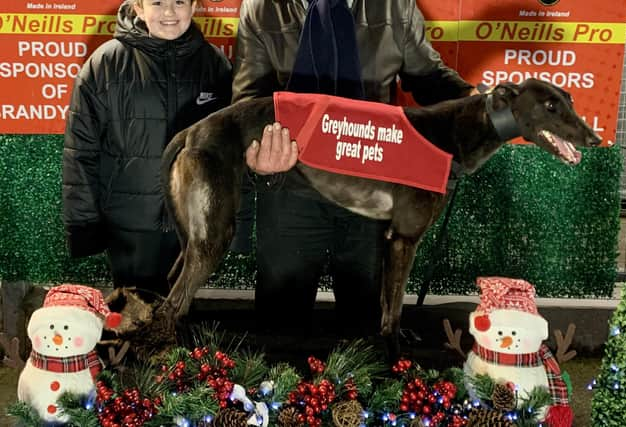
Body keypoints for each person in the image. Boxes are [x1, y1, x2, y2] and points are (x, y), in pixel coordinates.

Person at [232, 0, 476, 336]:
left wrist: (478, 102)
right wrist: (259, 150)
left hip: (372, 187)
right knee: (280, 319)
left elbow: (429, 77)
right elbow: (248, 99)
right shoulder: (261, 8)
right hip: (293, 183)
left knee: (367, 320)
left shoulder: (395, 6)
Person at [62, 0, 234, 295]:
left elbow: (231, 155)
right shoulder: (104, 64)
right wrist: (83, 224)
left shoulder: (216, 65)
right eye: (157, 2)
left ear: (194, 8)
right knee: (132, 320)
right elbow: (81, 151)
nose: (169, 12)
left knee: (179, 321)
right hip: (130, 227)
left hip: (192, 224)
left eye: (179, 2)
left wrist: (232, 224)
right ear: (138, 9)